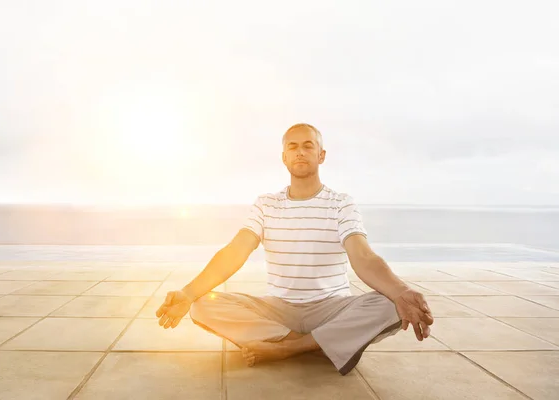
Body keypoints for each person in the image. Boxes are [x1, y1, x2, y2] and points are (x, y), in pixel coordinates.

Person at [156, 123, 434, 375]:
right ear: (284, 157)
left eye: (308, 146)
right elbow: (235, 251)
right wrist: (188, 292)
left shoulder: (341, 203)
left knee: (388, 303)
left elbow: (362, 256)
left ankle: (287, 348)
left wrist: (400, 291)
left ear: (321, 156)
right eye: (293, 147)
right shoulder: (266, 204)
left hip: (331, 308)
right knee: (202, 304)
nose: (300, 152)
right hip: (278, 309)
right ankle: (314, 343)